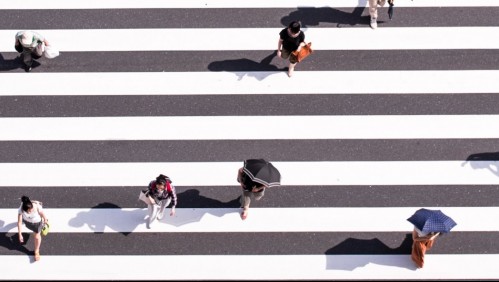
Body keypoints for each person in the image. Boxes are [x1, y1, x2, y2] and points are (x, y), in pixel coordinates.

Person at [17, 196, 49, 261]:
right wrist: (20, 234)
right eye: (28, 211)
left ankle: (36, 251)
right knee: (35, 235)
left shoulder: (36, 206)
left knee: (37, 237)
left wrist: (45, 219)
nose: (30, 212)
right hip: (28, 223)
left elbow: (41, 213)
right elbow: (19, 222)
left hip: (37, 223)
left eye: (31, 209)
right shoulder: (21, 209)